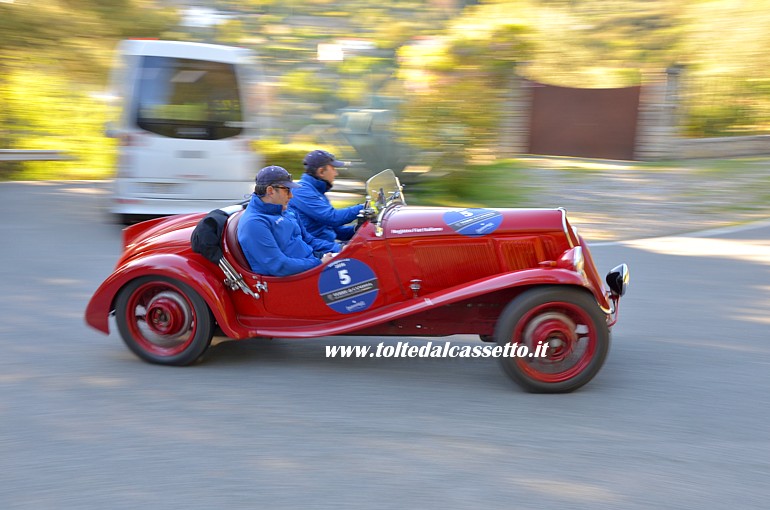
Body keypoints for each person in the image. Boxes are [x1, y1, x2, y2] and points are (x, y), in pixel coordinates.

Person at [238, 165, 340, 277]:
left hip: (310, 265)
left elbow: (309, 241)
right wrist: (319, 263)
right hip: (291, 281)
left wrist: (340, 249)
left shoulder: (284, 210)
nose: (291, 196)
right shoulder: (254, 223)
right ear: (270, 191)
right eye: (287, 190)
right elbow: (278, 266)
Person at [289, 149, 364, 243]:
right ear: (321, 172)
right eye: (333, 168)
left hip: (328, 246)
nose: (336, 173)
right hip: (315, 251)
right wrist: (363, 207)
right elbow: (333, 218)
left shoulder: (317, 192)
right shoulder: (301, 191)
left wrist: (361, 229)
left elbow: (338, 231)